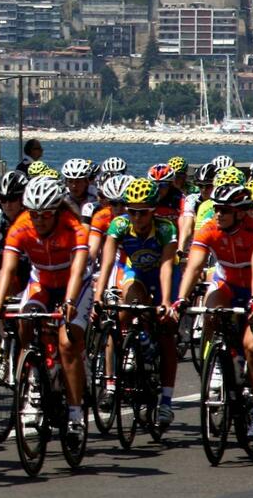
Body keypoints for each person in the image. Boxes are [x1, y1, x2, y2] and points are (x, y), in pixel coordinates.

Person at [0, 176, 92, 440]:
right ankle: (33, 371)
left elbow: (79, 270)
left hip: (74, 284)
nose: (39, 221)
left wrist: (69, 302)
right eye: (34, 215)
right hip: (42, 282)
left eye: (46, 215)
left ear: (57, 211)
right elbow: (8, 268)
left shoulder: (74, 228)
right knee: (25, 318)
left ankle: (74, 414)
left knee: (67, 344)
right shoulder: (20, 227)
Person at [174, 182, 253, 438]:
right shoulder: (209, 229)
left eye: (225, 210)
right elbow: (195, 266)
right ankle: (216, 366)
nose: (218, 214)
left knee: (252, 347)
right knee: (210, 314)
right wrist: (181, 299)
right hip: (226, 283)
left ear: (240, 212)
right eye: (217, 208)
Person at [93, 177, 179, 430]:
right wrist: (98, 295)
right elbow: (107, 262)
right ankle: (110, 384)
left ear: (152, 211)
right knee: (120, 316)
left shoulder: (165, 229)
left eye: (142, 213)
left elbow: (165, 266)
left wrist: (165, 301)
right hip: (137, 275)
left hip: (165, 276)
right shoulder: (119, 225)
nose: (136, 218)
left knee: (166, 333)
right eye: (131, 211)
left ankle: (166, 401)